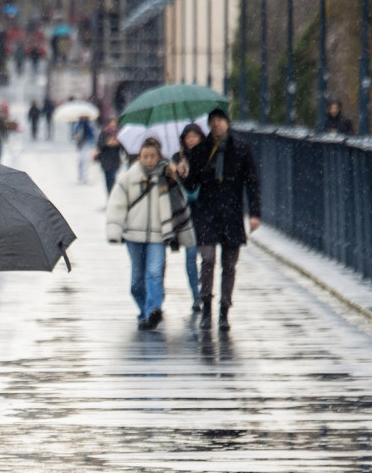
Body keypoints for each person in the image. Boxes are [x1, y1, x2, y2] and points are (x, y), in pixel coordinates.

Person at [178, 108, 261, 331]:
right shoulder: (201, 150)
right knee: (207, 259)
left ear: (227, 123)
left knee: (229, 265)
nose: (216, 125)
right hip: (207, 213)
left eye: (220, 120)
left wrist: (254, 213)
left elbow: (252, 182)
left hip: (232, 213)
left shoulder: (241, 149)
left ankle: (224, 309)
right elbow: (192, 185)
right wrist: (184, 173)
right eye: (212, 121)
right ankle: (206, 306)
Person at [106, 138, 196, 330]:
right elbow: (116, 204)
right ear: (139, 157)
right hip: (133, 236)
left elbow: (179, 201)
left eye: (152, 156)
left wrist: (177, 174)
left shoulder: (166, 176)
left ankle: (153, 310)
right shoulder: (129, 178)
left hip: (158, 236)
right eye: (145, 156)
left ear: (158, 157)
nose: (148, 160)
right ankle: (144, 309)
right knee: (137, 281)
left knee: (154, 274)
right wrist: (114, 230)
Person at [171, 124, 207, 313]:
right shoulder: (177, 158)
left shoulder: (208, 156)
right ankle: (196, 294)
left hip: (204, 212)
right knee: (191, 254)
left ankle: (205, 287)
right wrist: (178, 173)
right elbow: (172, 188)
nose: (191, 140)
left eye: (195, 136)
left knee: (206, 255)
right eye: (188, 136)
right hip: (185, 214)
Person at [96, 117, 123, 194]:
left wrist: (117, 143)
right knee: (108, 179)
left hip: (115, 159)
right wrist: (107, 143)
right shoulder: (104, 132)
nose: (113, 125)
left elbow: (122, 147)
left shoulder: (119, 133)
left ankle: (112, 194)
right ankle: (110, 194)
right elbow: (100, 145)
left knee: (113, 178)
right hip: (106, 159)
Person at [72, 115, 97, 185]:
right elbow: (75, 134)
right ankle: (81, 175)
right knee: (81, 161)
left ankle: (84, 177)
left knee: (85, 161)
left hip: (87, 144)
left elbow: (92, 135)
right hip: (81, 144)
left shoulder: (89, 124)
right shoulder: (78, 124)